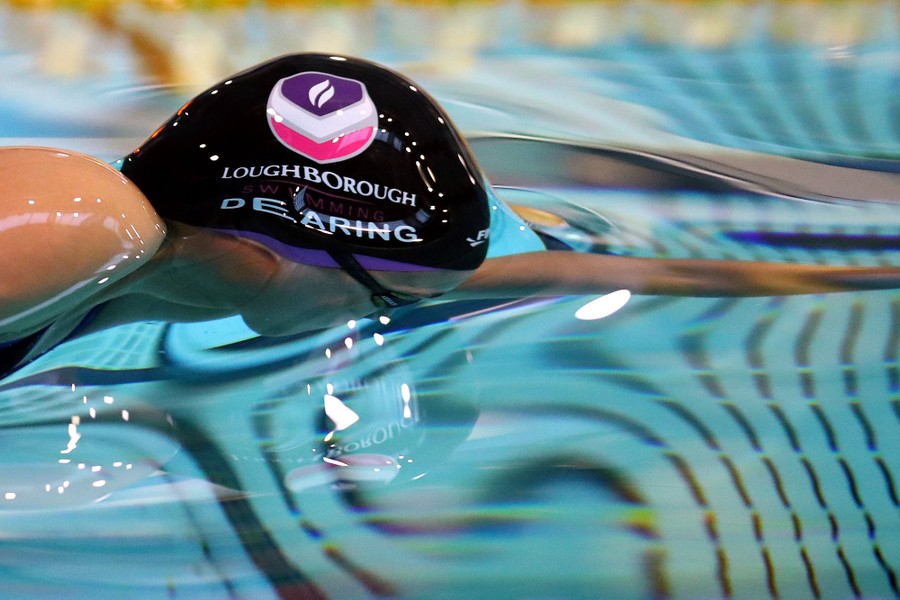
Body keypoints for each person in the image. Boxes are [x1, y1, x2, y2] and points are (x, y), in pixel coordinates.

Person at [1, 53, 898, 378]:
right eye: (383, 297)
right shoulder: (88, 221)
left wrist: (841, 271)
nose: (377, 322)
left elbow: (567, 270)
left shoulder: (181, 266)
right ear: (274, 246)